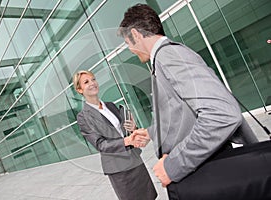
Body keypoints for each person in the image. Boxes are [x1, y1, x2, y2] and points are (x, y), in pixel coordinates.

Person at [117, 3, 259, 198]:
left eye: (128, 42)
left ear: (136, 34)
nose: (130, 49)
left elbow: (222, 114)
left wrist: (173, 165)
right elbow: (181, 112)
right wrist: (151, 132)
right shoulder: (162, 58)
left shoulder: (169, 56)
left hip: (211, 173)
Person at [73, 70, 157, 200]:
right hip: (119, 168)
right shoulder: (83, 117)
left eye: (93, 79)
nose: (92, 83)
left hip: (134, 160)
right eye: (86, 82)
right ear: (79, 89)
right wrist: (127, 141)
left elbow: (123, 132)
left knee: (149, 196)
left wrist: (133, 128)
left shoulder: (110, 106)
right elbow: (101, 145)